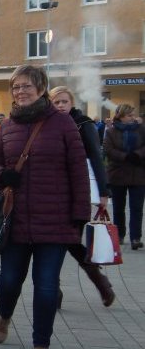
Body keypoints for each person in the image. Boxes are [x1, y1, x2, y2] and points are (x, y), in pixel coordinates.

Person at [0, 65, 88, 349]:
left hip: (54, 220)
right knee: (8, 281)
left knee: (46, 286)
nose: (21, 91)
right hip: (15, 218)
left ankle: (41, 345)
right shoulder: (7, 126)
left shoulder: (63, 124)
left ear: (42, 88)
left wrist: (80, 214)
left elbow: (78, 171)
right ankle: (5, 315)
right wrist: (2, 175)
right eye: (16, 86)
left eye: (26, 86)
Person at [49, 86, 114, 306]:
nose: (60, 106)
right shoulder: (46, 123)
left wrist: (104, 192)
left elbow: (96, 157)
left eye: (64, 102)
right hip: (51, 193)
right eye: (56, 102)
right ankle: (53, 290)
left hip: (79, 192)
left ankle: (98, 280)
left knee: (70, 241)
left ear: (72, 103)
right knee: (52, 243)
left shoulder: (83, 124)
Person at [103, 103, 145, 250]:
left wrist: (137, 154)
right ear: (121, 116)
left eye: (133, 115)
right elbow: (108, 149)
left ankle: (135, 238)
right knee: (118, 208)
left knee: (137, 208)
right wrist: (125, 156)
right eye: (129, 115)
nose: (133, 118)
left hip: (138, 173)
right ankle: (119, 235)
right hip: (118, 173)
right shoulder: (111, 130)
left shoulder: (141, 129)